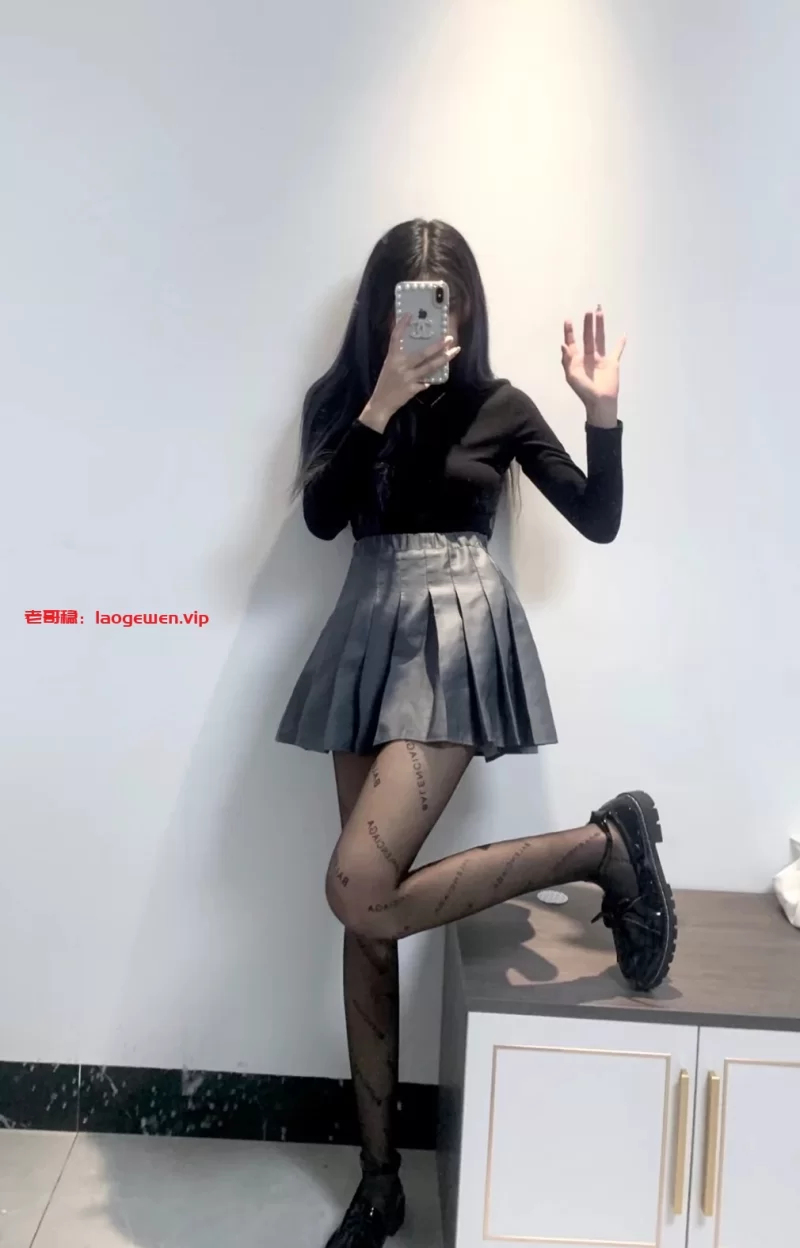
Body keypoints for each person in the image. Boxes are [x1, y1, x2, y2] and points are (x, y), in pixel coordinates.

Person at [277, 219, 676, 1248]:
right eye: (405, 307)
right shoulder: (341, 401)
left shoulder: (498, 406)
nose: (424, 324)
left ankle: (599, 847)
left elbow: (596, 518)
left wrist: (601, 414)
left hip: (456, 635)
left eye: (440, 307)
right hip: (366, 633)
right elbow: (321, 519)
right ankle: (379, 1181)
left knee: (358, 885)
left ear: (466, 312)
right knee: (365, 919)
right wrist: (376, 404)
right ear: (377, 313)